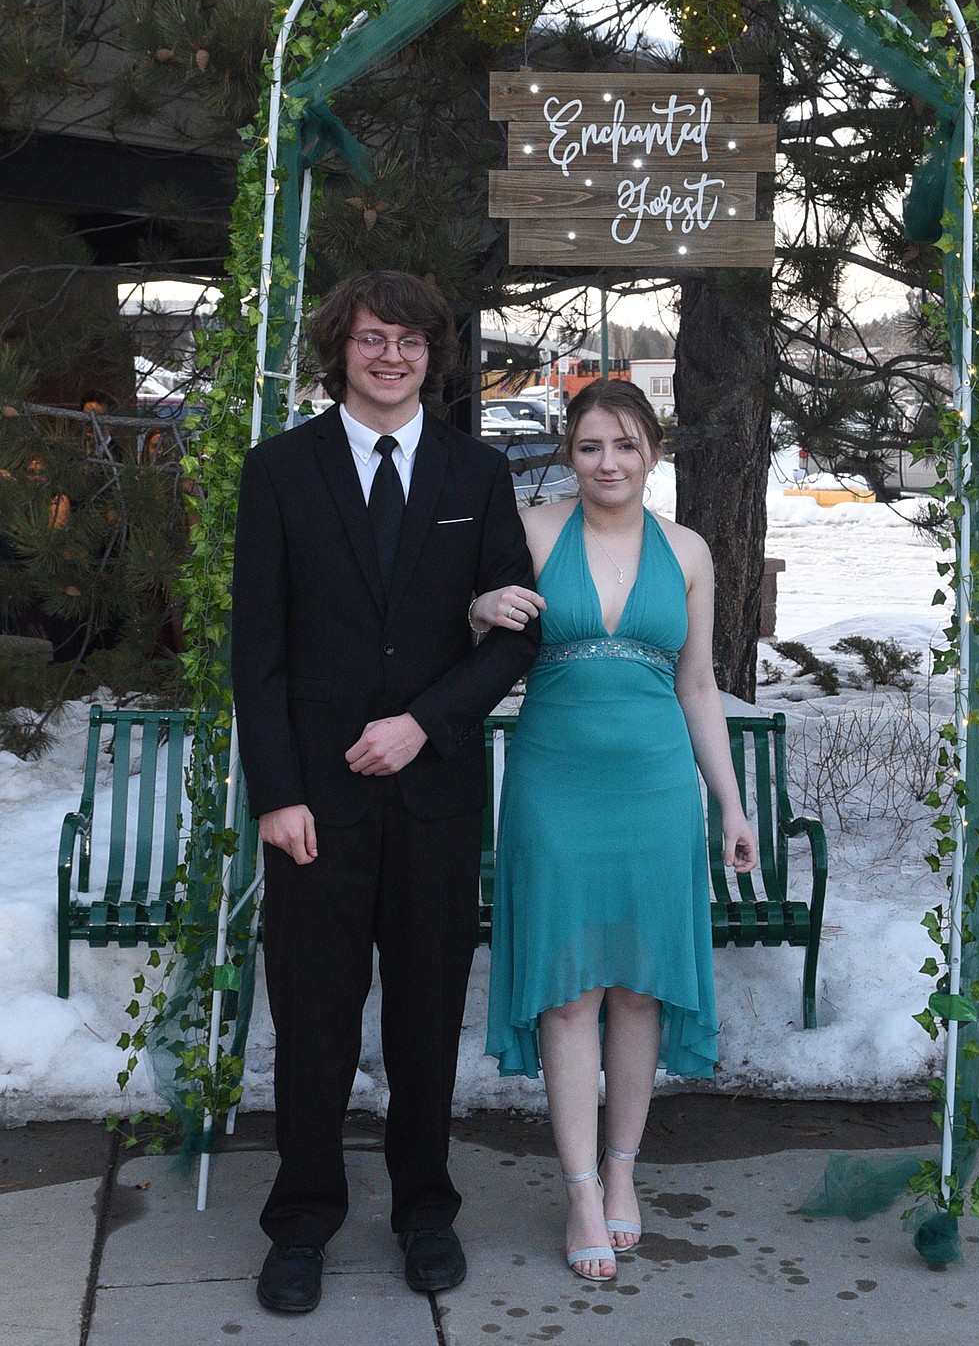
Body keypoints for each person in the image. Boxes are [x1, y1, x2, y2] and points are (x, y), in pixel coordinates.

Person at [231, 268, 540, 1315]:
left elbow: (517, 632)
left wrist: (426, 722)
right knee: (314, 1023)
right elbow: (256, 651)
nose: (391, 354)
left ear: (434, 355)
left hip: (435, 797)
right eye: (372, 337)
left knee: (420, 1018)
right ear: (341, 348)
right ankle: (302, 1221)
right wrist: (274, 792)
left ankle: (426, 1212)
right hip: (313, 805)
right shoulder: (278, 472)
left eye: (410, 339)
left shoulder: (476, 472)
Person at [476, 377, 758, 1282]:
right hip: (554, 785)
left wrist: (732, 803)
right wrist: (477, 608)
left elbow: (699, 686)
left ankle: (625, 1173)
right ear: (570, 451)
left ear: (653, 454)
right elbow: (462, 631)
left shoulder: (690, 551)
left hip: (655, 788)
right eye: (592, 445)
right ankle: (580, 1191)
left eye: (627, 446)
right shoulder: (531, 532)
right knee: (569, 994)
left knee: (638, 989)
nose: (609, 463)